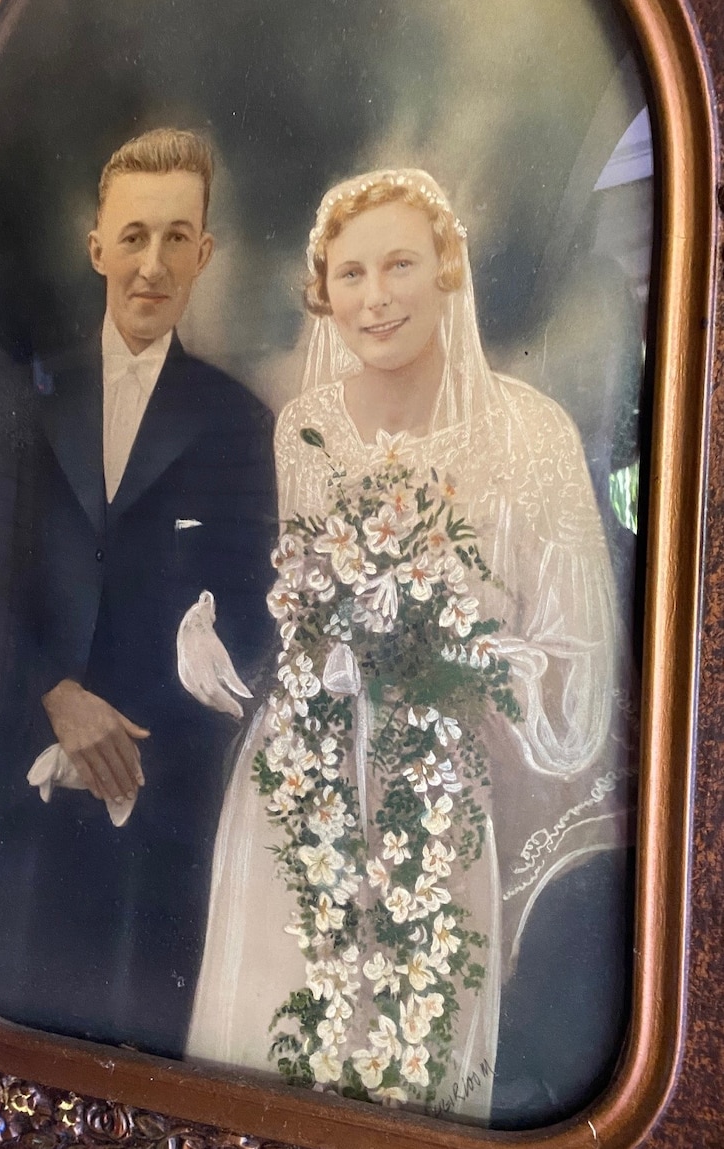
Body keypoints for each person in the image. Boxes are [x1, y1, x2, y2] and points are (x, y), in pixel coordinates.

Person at [185, 169, 633, 1125]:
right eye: (349, 274)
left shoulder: (533, 432)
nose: (374, 297)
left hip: (437, 792)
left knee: (405, 1049)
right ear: (322, 291)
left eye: (399, 265)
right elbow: (300, 605)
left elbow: (577, 648)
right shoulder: (304, 429)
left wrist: (456, 664)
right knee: (274, 1033)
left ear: (447, 273)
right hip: (296, 785)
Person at [0, 129, 278, 1058]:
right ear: (96, 248)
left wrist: (184, 689)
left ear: (204, 254)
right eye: (133, 237)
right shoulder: (20, 401)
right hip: (19, 794)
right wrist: (52, 694)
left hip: (160, 814)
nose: (152, 265)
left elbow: (255, 618)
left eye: (177, 239)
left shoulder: (239, 424)